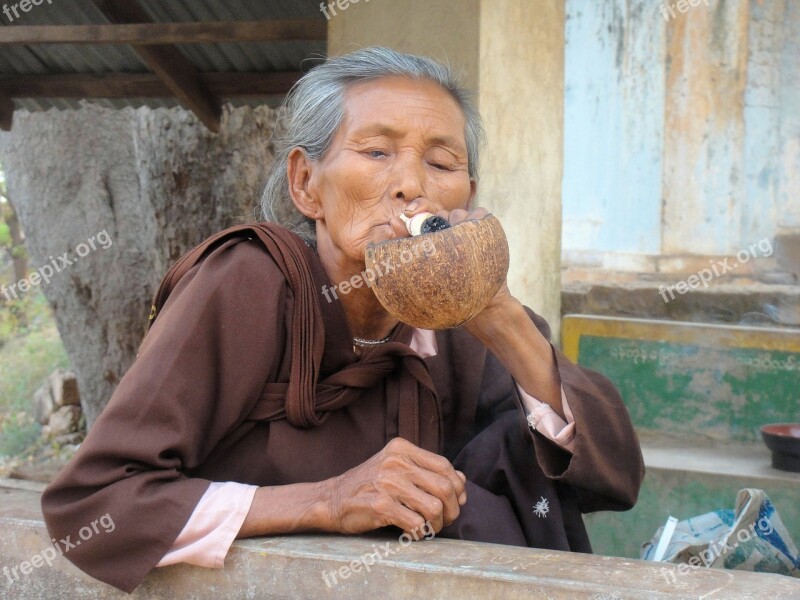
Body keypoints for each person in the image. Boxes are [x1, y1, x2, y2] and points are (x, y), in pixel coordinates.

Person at [41, 47, 645, 593]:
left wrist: (502, 317)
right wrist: (327, 501)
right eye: (377, 152)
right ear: (307, 185)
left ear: (467, 195)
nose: (411, 186)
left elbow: (611, 480)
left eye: (441, 163)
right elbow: (93, 506)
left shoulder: (465, 319)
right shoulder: (248, 283)